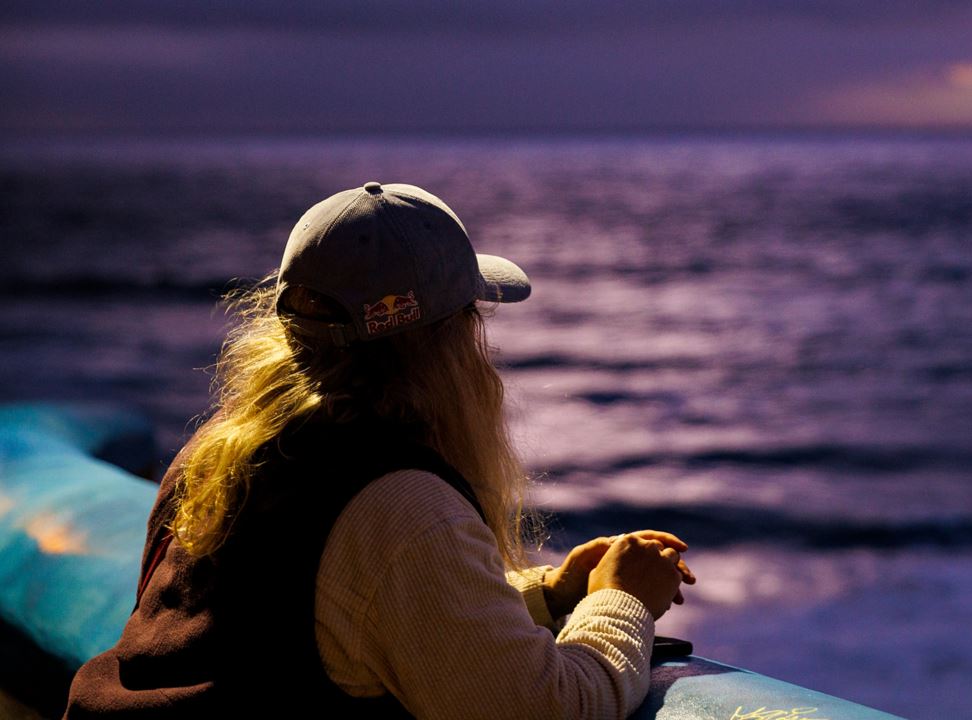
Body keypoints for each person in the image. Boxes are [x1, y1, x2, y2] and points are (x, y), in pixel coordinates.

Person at [64, 181, 695, 719]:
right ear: (448, 342)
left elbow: (327, 612)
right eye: (474, 323)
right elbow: (544, 707)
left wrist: (549, 596)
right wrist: (625, 601)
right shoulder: (402, 506)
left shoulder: (223, 451)